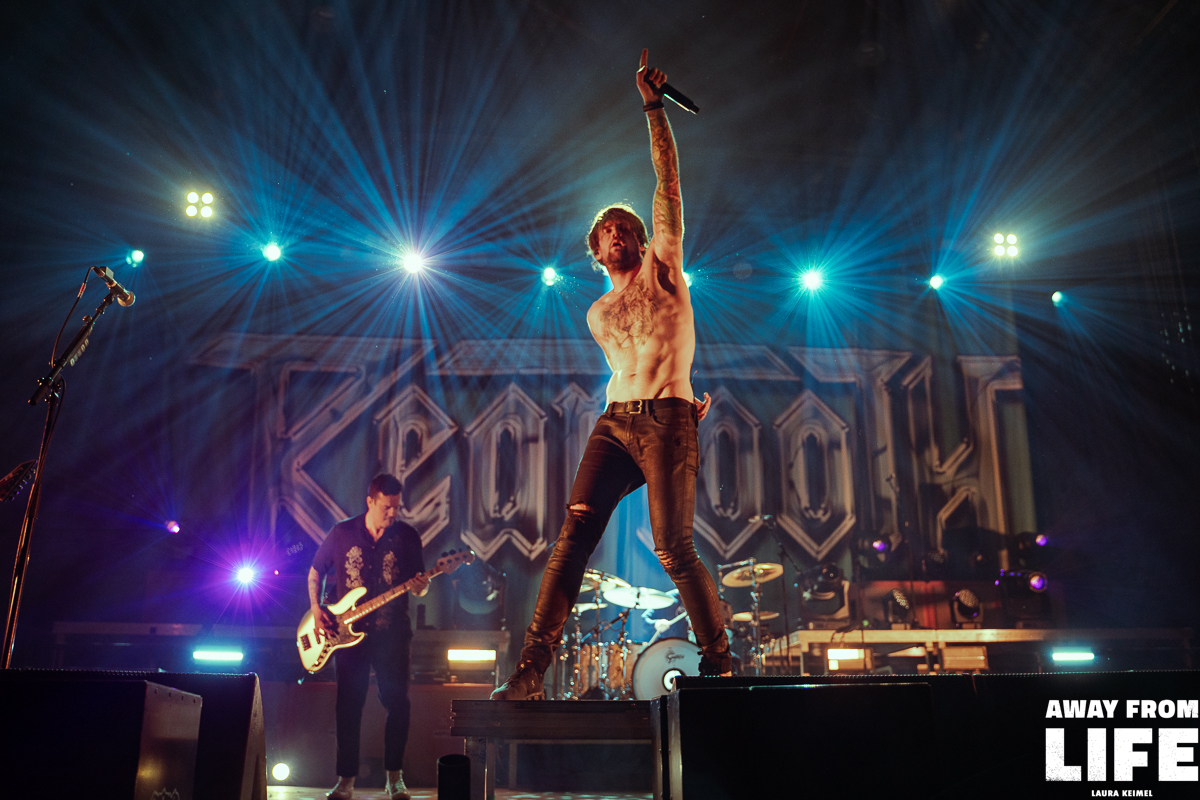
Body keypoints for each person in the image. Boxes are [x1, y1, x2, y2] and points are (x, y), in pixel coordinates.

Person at [493, 49, 732, 700]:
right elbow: (627, 364)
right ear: (596, 251)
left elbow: (668, 183)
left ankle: (720, 663)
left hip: (668, 419)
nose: (620, 233)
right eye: (609, 231)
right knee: (573, 537)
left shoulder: (663, 268)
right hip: (615, 424)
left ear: (644, 239)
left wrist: (653, 107)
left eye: (628, 226)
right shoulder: (597, 313)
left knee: (672, 547)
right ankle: (530, 671)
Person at [309, 473, 430, 800]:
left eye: (397, 507)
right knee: (348, 706)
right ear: (370, 502)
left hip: (392, 634)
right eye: (387, 507)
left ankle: (395, 779)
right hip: (347, 636)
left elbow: (420, 585)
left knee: (398, 703)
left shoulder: (407, 536)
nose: (393, 513)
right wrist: (316, 608)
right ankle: (345, 781)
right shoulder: (343, 532)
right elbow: (316, 570)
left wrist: (423, 586)